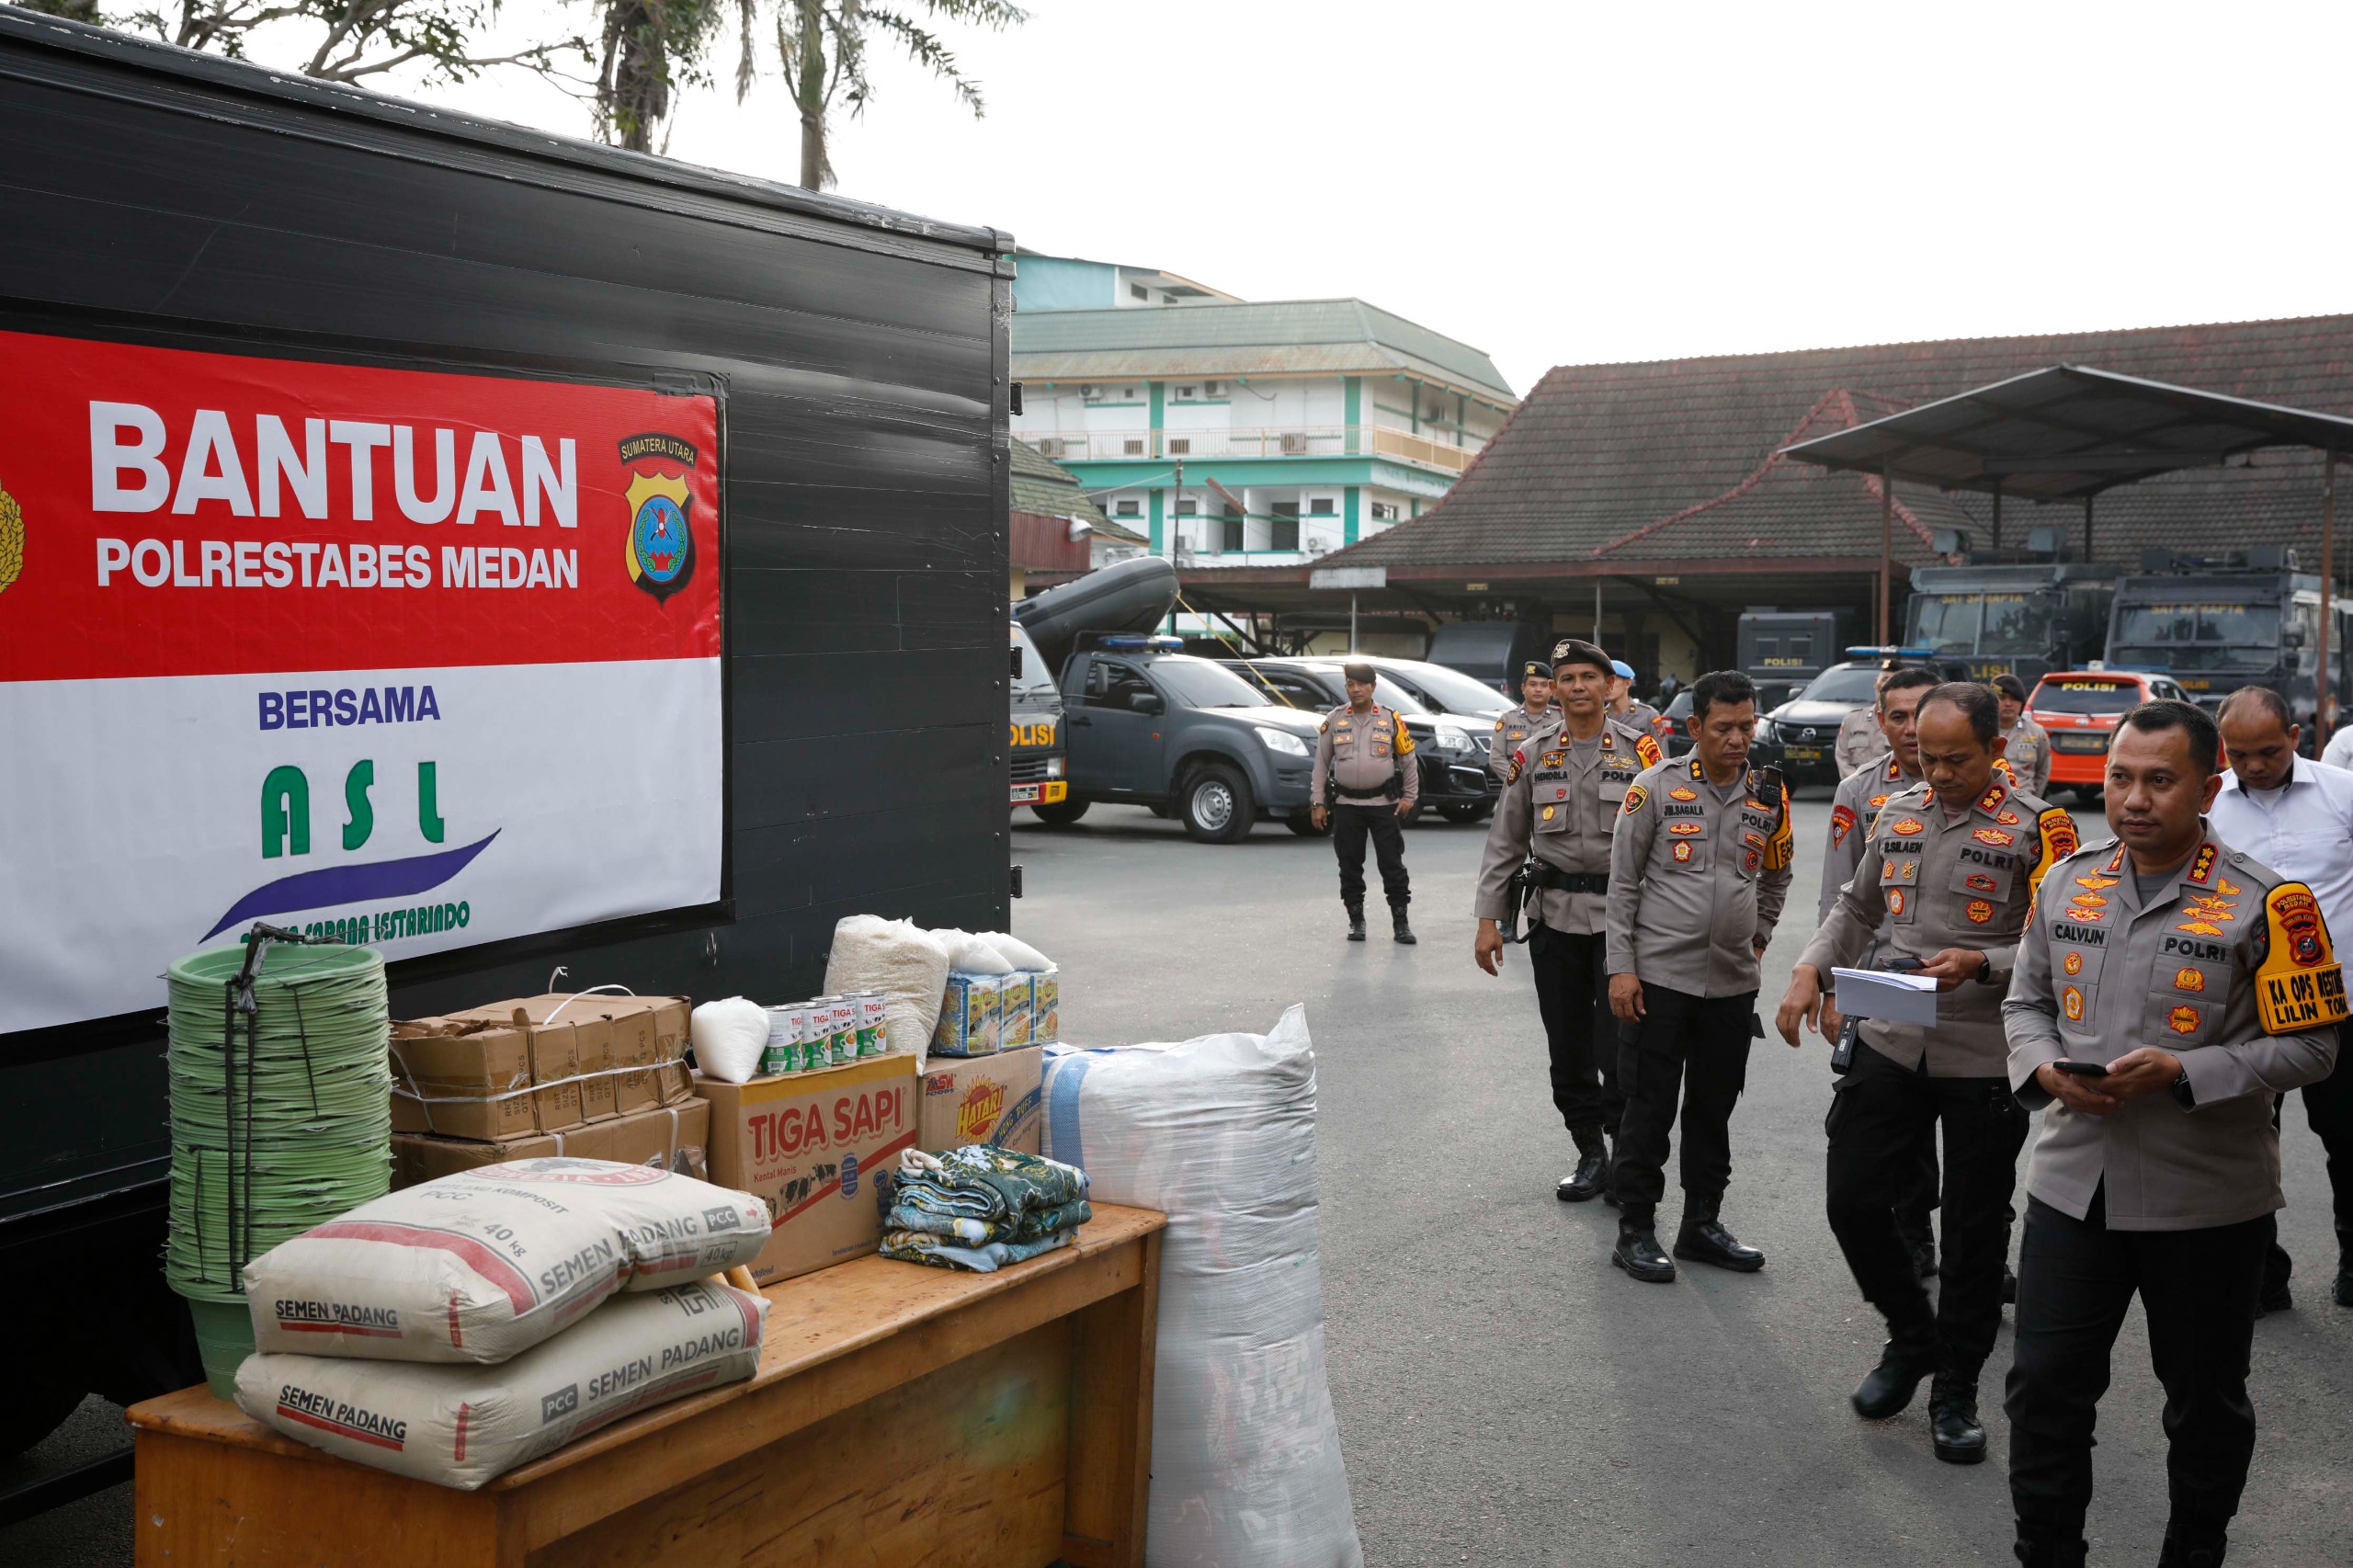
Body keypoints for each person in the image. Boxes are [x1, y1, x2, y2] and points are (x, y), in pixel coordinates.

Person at [2001, 700, 2343, 1568]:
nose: (2135, 799)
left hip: (2207, 1202)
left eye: (2160, 781)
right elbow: (2025, 1003)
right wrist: (2043, 1069)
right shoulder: (2065, 880)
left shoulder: (2273, 904)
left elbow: (2313, 1046)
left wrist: (2187, 1073)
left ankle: (2193, 1552)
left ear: (2207, 790)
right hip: (2073, 1188)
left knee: (2203, 1404)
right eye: (2121, 778)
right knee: (2043, 1392)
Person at [1779, 684, 2076, 1465]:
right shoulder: (1898, 810)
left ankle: (1956, 1388)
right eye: (1927, 757)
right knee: (1853, 1197)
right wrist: (1811, 970)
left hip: (1985, 1044)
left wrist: (1985, 962)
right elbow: (1856, 908)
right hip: (1892, 1023)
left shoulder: (2040, 827)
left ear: (1996, 749)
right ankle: (1911, 1335)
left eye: (1956, 760)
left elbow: (2062, 944)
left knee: (1974, 1231)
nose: (1938, 773)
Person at [1605, 669, 1793, 1282]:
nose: (1738, 739)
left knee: (1713, 1110)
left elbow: (1777, 874)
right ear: (1695, 726)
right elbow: (1623, 883)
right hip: (1659, 980)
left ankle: (1701, 1225)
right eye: (1724, 728)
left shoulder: (1768, 794)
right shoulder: (1655, 787)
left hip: (1732, 985)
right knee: (1649, 1108)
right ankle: (1636, 1228)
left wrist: (1759, 936)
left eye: (1747, 727)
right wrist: (1622, 968)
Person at [1474, 639, 1663, 1202]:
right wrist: (1488, 919)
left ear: (1609, 685)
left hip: (1622, 923)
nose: (1578, 687)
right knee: (1567, 1043)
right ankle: (1589, 1153)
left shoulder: (1641, 753)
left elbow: (1667, 837)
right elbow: (1505, 842)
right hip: (1553, 920)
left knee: (1619, 1043)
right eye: (1567, 678)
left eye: (1589, 676)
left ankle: (1622, 1150)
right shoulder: (1531, 754)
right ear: (1554, 689)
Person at [2206, 684, 2353, 1312]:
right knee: (2242, 1143)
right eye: (2239, 754)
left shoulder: (2342, 792)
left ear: (2295, 737)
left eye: (2268, 751)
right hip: (2241, 1008)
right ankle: (2260, 1276)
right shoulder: (2208, 802)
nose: (2254, 766)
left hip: (2337, 1004)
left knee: (2348, 1138)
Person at [1818, 665, 1949, 1281]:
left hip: (1972, 983)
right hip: (1888, 978)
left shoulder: (1993, 788)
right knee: (1903, 1114)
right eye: (1898, 716)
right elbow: (1839, 899)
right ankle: (1913, 1230)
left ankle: (1980, 1246)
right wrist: (1830, 987)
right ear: (1880, 722)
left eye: (1921, 714)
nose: (1911, 728)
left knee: (1979, 1124)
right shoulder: (1860, 791)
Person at [1311, 663, 1419, 944]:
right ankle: (1356, 921)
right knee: (1349, 865)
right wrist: (1317, 802)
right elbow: (1321, 764)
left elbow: (1408, 760)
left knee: (1392, 865)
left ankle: (1401, 924)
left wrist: (1410, 797)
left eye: (1361, 684)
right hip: (1347, 805)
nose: (1356, 689)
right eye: (1350, 684)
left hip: (1383, 804)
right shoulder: (1334, 719)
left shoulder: (1390, 718)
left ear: (1373, 687)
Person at [1490, 660, 1556, 775]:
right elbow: (1496, 759)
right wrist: (1518, 779)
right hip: (1515, 782)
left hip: (1551, 781)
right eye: (1533, 684)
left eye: (1544, 685)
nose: (1538, 689)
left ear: (1552, 690)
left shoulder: (1562, 718)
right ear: (1523, 688)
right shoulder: (1507, 719)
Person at [1995, 675, 2053, 797]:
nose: (2008, 704)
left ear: (2022, 702)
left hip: (2024, 799)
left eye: (2014, 699)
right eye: (2002, 698)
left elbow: (2042, 772)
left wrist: (2033, 802)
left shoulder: (2036, 732)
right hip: (1990, 801)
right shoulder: (1981, 732)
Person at [1836, 671, 1895, 778]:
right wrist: (1859, 782)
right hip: (1857, 784)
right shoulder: (1852, 719)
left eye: (1894, 680)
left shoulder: (1909, 724)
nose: (1888, 684)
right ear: (1876, 682)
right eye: (1885, 679)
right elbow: (1842, 758)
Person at [1608, 659, 1664, 739]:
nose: (1607, 685)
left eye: (1613, 680)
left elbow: (1660, 746)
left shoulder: (1649, 716)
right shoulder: (1599, 718)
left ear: (1627, 683)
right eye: (1605, 680)